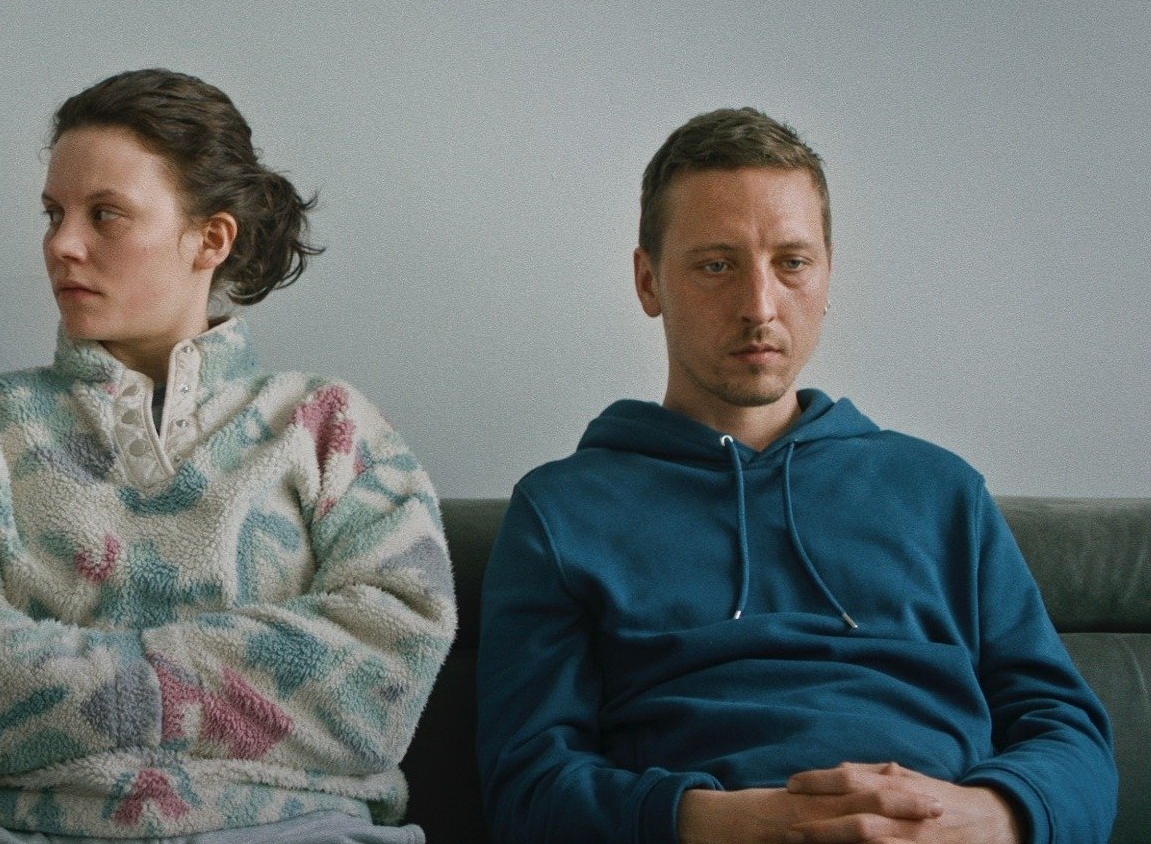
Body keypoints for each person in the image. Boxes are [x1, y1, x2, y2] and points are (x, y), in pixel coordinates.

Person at [474, 108, 1116, 844]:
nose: (759, 306)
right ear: (649, 282)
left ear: (827, 274)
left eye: (792, 263)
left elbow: (1070, 734)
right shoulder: (561, 513)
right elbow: (528, 786)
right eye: (716, 265)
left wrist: (990, 818)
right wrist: (734, 823)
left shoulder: (943, 492)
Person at [0, 69, 456, 843]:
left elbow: (382, 679)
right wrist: (224, 682)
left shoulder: (328, 428)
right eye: (53, 214)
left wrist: (90, 684)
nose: (62, 244)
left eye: (105, 215)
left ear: (212, 237)